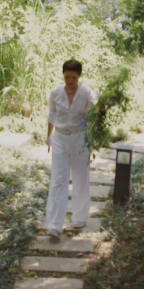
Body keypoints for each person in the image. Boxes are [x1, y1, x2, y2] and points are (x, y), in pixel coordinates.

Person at [45, 59, 96, 236]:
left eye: (73, 77)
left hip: (79, 138)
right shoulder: (56, 92)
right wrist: (49, 138)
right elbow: (51, 116)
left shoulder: (87, 93)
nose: (70, 81)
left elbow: (92, 119)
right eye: (67, 77)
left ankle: (79, 217)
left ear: (79, 76)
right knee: (59, 180)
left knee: (80, 177)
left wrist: (91, 143)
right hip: (59, 137)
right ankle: (54, 224)